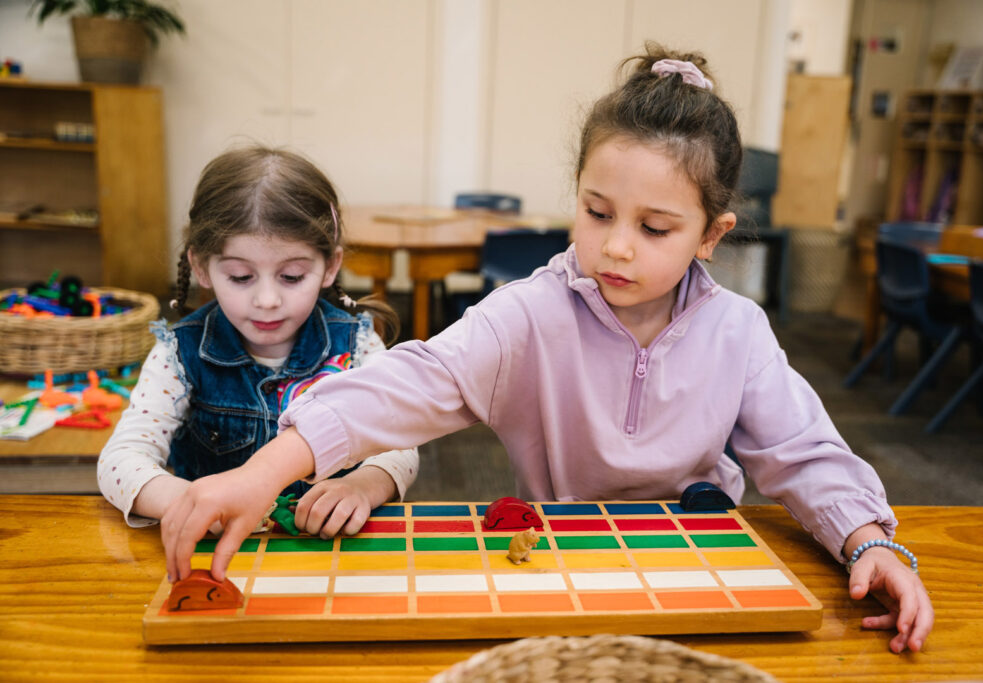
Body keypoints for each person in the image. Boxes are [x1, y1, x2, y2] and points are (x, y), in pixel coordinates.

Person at [160, 46, 932, 653]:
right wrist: (266, 471)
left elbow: (805, 452)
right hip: (562, 564)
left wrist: (869, 538)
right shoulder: (528, 314)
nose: (617, 247)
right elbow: (409, 382)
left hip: (698, 560)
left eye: (655, 228)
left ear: (711, 236)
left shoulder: (739, 331)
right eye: (597, 212)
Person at [98, 145, 418, 538]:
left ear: (330, 266)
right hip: (219, 562)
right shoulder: (178, 353)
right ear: (201, 267)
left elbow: (401, 441)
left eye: (292, 276)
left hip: (327, 556)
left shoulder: (356, 343)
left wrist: (364, 486)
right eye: (240, 277)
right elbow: (120, 459)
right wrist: (188, 502)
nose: (267, 301)